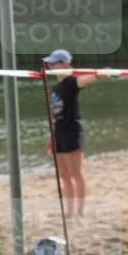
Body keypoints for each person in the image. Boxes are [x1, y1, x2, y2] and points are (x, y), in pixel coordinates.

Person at [43, 49, 103, 218]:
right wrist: (51, 136)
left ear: (65, 63)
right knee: (64, 175)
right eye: (50, 63)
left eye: (54, 63)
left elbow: (84, 81)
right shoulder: (56, 86)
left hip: (72, 131)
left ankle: (80, 211)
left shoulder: (71, 82)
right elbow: (55, 114)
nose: (51, 66)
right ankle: (69, 211)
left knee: (76, 173)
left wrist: (99, 75)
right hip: (59, 132)